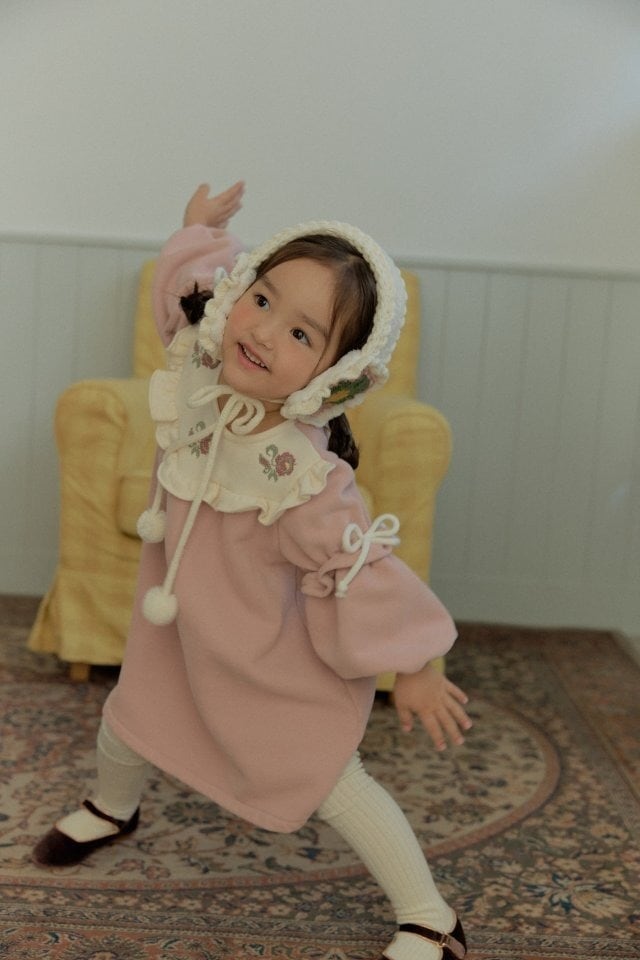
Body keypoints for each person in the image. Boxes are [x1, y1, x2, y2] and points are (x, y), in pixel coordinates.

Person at [33, 181, 472, 960]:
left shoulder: (304, 479)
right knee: (131, 718)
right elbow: (188, 288)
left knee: (330, 779)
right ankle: (112, 808)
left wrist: (413, 664)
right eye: (262, 299)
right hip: (178, 628)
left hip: (267, 655)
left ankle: (430, 915)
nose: (264, 332)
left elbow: (360, 569)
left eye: (302, 334)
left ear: (334, 376)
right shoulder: (200, 365)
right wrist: (199, 231)